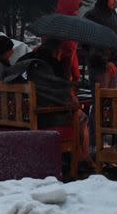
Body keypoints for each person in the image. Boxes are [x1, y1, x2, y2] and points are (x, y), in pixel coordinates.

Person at [10, 38, 92, 166]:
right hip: (44, 116)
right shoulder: (52, 65)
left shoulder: (27, 60)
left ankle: (75, 156)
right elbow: (61, 93)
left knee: (77, 113)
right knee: (81, 117)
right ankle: (82, 158)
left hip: (21, 112)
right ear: (57, 50)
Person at [84, 0, 117, 91]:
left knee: (111, 99)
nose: (115, 1)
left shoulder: (113, 14)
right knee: (100, 100)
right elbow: (89, 45)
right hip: (99, 67)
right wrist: (105, 63)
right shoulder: (92, 16)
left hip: (113, 63)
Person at [54, 0, 84, 84]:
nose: (76, 13)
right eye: (75, 9)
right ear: (69, 7)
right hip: (64, 78)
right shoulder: (66, 30)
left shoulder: (53, 24)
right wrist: (76, 76)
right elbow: (71, 55)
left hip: (51, 77)